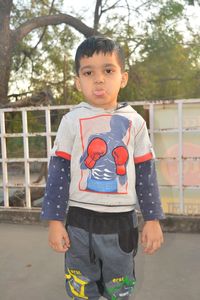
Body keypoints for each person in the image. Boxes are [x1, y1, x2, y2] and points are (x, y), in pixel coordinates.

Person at [41, 35, 165, 300]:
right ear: (78, 81)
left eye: (108, 70)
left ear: (123, 77)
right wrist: (54, 221)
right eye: (89, 72)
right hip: (79, 219)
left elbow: (145, 173)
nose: (99, 79)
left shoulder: (136, 122)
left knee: (118, 288)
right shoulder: (71, 121)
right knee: (81, 288)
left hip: (121, 222)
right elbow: (59, 172)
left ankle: (114, 166)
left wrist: (152, 219)